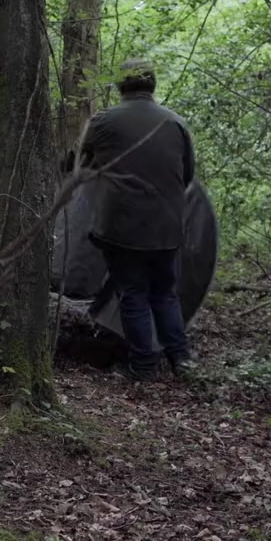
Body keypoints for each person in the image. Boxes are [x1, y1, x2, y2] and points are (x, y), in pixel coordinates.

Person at [76, 59, 197, 382]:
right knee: (165, 292)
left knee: (133, 293)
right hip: (168, 226)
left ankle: (143, 367)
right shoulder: (176, 122)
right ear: (152, 85)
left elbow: (82, 166)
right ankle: (181, 359)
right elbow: (187, 176)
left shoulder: (103, 121)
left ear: (120, 85)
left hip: (121, 226)